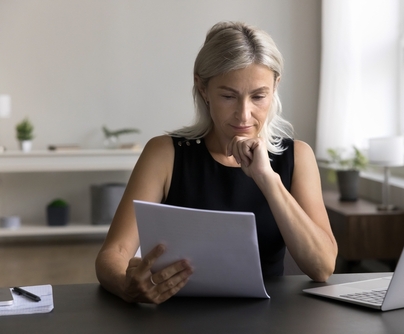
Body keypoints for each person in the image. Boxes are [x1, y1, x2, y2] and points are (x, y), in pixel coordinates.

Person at [95, 21, 337, 304]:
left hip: (270, 318)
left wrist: (268, 180)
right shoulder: (164, 154)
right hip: (178, 316)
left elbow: (322, 268)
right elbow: (112, 255)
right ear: (203, 88)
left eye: (259, 96)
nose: (244, 115)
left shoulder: (298, 156)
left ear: (275, 87)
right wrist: (127, 285)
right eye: (228, 96)